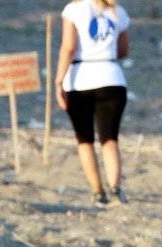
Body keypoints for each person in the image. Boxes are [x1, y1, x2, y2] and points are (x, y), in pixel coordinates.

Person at [54, 0, 130, 205]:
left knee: (84, 138)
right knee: (109, 137)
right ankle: (115, 187)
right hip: (112, 78)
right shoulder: (118, 12)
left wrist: (59, 80)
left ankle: (97, 191)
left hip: (80, 79)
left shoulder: (73, 10)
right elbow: (122, 50)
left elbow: (68, 48)